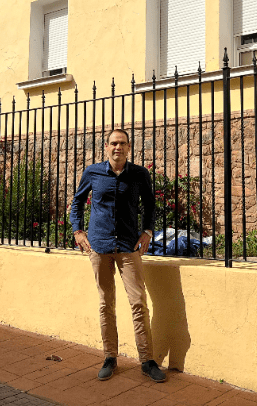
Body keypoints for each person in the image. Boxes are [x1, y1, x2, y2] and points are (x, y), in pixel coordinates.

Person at [69, 128, 165, 383]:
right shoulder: (93, 172)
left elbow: (150, 204)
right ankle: (110, 356)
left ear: (128, 147)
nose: (118, 147)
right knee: (106, 304)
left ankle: (147, 360)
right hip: (99, 246)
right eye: (113, 143)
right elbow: (77, 202)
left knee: (138, 302)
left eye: (122, 143)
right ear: (106, 147)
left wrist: (147, 231)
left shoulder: (139, 174)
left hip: (128, 246)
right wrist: (77, 231)